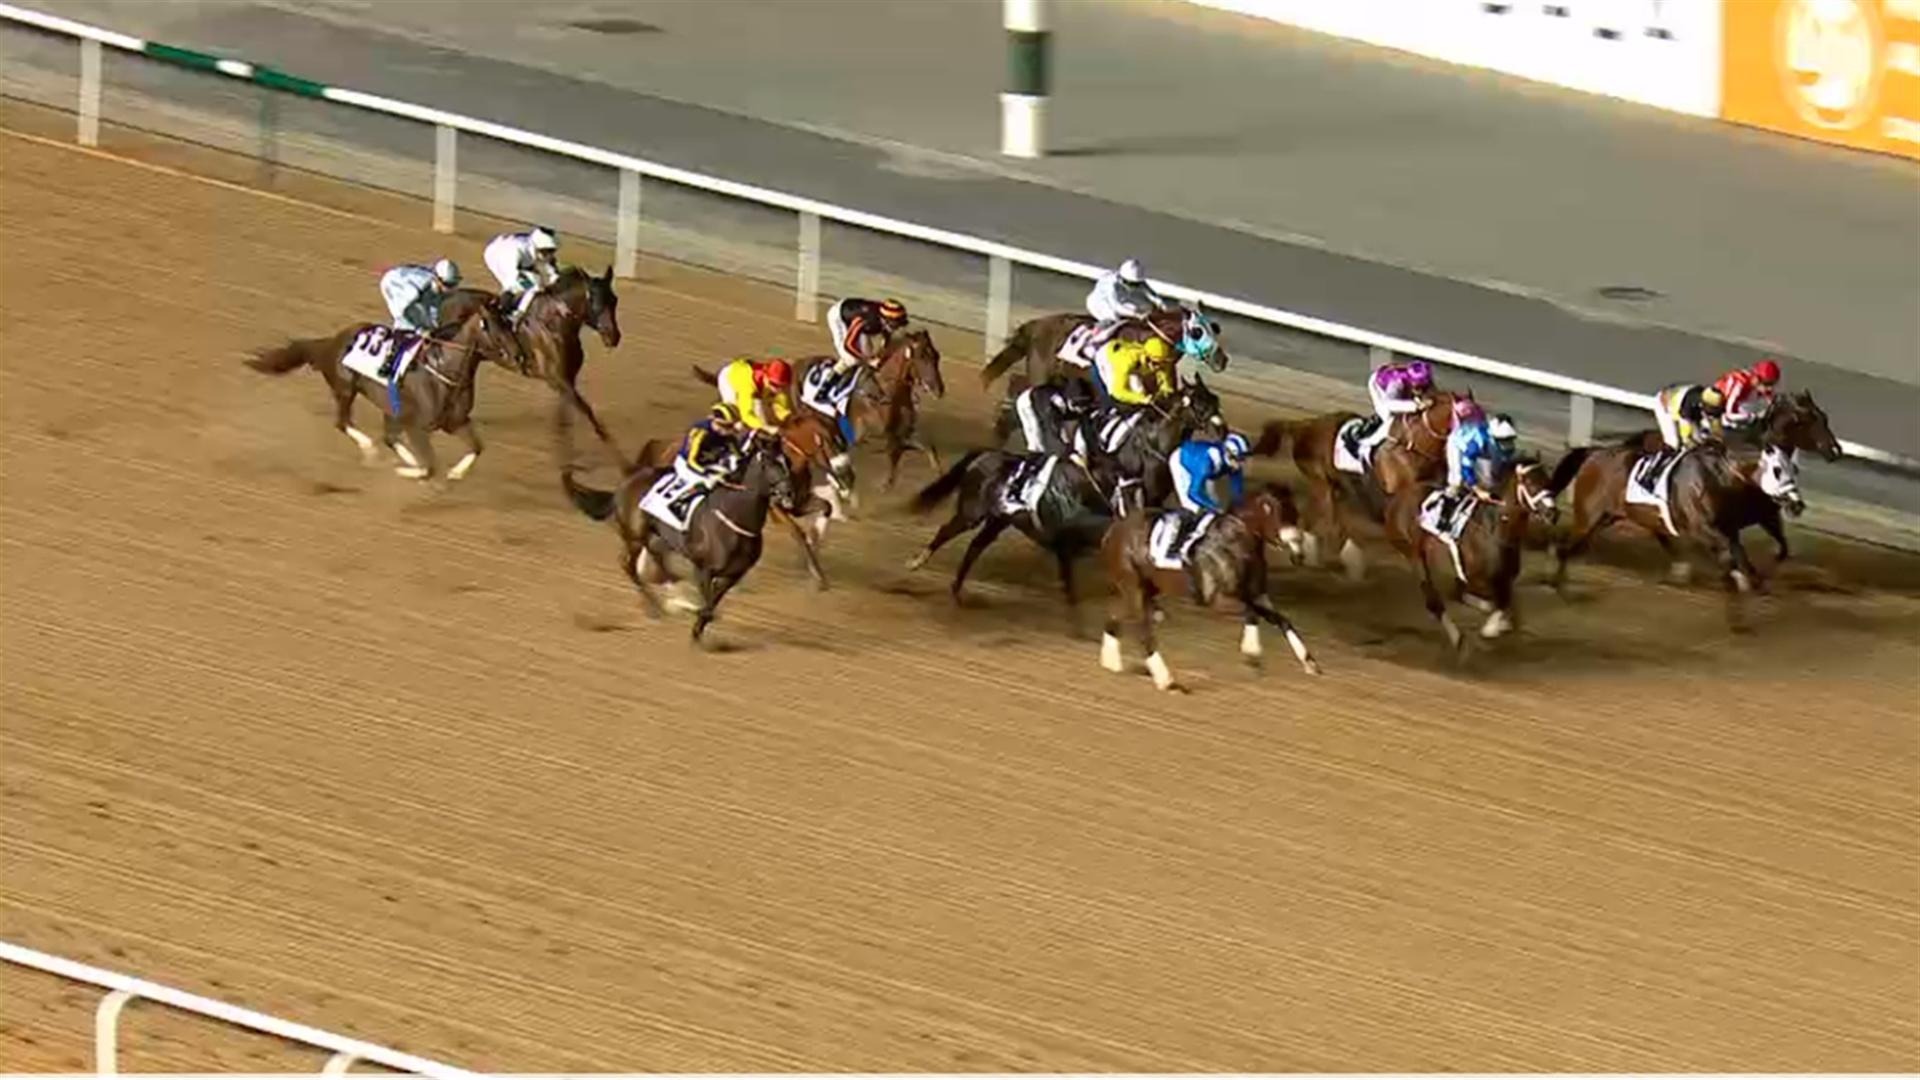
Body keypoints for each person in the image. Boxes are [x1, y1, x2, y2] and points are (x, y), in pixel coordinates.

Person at [1436, 399, 1504, 528]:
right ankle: (1444, 516)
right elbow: (1466, 467)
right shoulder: (1477, 444)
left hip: (1475, 440)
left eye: (1509, 440)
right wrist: (1477, 490)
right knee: (1457, 480)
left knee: (1491, 479)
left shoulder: (1495, 436)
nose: (1507, 445)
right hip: (1457, 445)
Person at [1353, 360, 1435, 460]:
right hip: (1380, 388)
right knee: (1389, 418)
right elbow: (1388, 404)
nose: (1421, 390)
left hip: (1396, 382)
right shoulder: (1397, 383)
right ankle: (1366, 444)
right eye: (1418, 387)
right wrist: (1415, 406)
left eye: (1424, 387)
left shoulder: (1422, 377)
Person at [1085, 258, 1173, 348]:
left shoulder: (1131, 280)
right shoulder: (1112, 286)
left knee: (1146, 307)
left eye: (1137, 284)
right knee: (1115, 320)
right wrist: (1136, 314)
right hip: (1101, 304)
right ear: (1123, 279)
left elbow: (1147, 290)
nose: (1136, 286)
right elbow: (1117, 306)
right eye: (1133, 284)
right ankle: (1095, 337)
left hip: (1122, 298)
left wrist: (1160, 303)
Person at [483, 225, 560, 324]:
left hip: (517, 258)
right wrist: (528, 284)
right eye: (548, 251)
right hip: (496, 257)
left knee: (535, 281)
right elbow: (513, 276)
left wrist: (554, 280)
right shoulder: (517, 250)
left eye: (552, 251)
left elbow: (552, 272)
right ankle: (513, 315)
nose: (550, 255)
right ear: (540, 248)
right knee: (532, 285)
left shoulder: (538, 249)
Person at [1014, 378, 1094, 460]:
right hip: (1028, 402)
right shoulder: (1054, 406)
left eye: (1085, 405)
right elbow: (1051, 431)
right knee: (1037, 443)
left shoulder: (1071, 403)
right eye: (1079, 405)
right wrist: (1067, 452)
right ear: (1071, 401)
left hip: (1047, 401)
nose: (1081, 410)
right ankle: (1033, 461)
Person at [826, 296, 908, 371]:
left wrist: (880, 354)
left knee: (868, 353)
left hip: (857, 316)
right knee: (851, 359)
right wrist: (868, 361)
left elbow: (886, 336)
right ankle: (828, 376)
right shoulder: (865, 319)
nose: (897, 327)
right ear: (886, 320)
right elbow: (848, 345)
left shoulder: (882, 319)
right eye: (896, 324)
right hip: (838, 317)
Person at [378, 258, 460, 333]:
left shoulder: (437, 289)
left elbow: (433, 310)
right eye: (447, 284)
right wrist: (421, 329)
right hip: (392, 283)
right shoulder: (421, 287)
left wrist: (433, 328)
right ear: (437, 279)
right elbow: (407, 311)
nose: (450, 288)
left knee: (425, 323)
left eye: (453, 284)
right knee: (407, 322)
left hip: (408, 283)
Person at [715, 356, 794, 433]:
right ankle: (718, 425)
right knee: (737, 420)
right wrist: (766, 428)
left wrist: (789, 418)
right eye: (773, 385)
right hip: (729, 379)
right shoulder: (747, 387)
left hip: (746, 370)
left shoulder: (775, 380)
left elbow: (781, 406)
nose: (777, 389)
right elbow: (747, 415)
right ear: (766, 377)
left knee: (764, 412)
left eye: (782, 386)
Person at [1093, 334, 1173, 410]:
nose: (1159, 366)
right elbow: (1117, 392)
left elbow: (1164, 370)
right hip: (1106, 357)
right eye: (1157, 364)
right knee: (1135, 392)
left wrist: (1167, 389)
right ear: (1148, 358)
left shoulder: (1156, 355)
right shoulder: (1126, 363)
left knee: (1140, 390)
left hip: (1121, 348)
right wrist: (1141, 399)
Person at [1652, 382, 1726, 457]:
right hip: (1665, 405)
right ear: (1702, 404)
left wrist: (1717, 442)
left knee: (1699, 439)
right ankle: (1658, 460)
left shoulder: (1712, 403)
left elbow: (1716, 430)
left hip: (1687, 408)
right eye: (1710, 409)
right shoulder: (1689, 404)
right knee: (1674, 443)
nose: (1712, 413)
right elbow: (1686, 436)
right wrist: (1691, 444)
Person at [1712, 357, 1781, 428]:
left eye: (1773, 384)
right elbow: (1729, 414)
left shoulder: (1759, 385)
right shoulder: (1739, 384)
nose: (1770, 388)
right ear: (1756, 379)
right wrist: (1752, 417)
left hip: (1740, 402)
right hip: (1721, 405)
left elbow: (1771, 402)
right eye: (1767, 384)